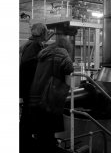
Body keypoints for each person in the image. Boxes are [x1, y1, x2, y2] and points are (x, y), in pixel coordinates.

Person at [28, 37, 74, 153]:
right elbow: (70, 79)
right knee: (48, 134)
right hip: (49, 97)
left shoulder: (44, 54)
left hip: (35, 97)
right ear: (67, 47)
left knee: (41, 134)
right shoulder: (63, 54)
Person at [20, 23, 50, 153]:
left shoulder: (33, 45)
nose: (47, 35)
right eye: (46, 32)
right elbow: (29, 67)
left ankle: (28, 142)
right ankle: (26, 145)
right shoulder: (33, 46)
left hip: (31, 90)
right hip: (31, 91)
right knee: (28, 118)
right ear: (42, 33)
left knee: (29, 117)